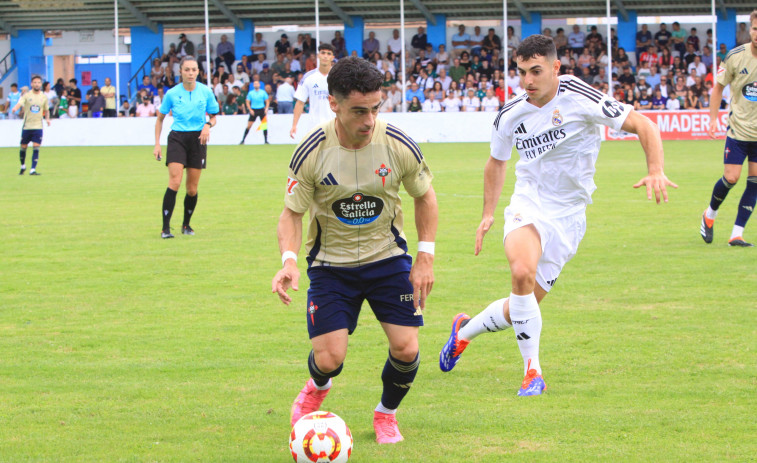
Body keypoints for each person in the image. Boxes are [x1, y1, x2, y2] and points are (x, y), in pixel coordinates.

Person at [438, 34, 676, 396]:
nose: (528, 81)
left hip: (570, 216)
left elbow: (645, 125)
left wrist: (656, 169)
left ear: (555, 68)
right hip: (529, 203)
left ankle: (464, 331)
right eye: (521, 73)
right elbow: (496, 162)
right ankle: (532, 372)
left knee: (523, 305)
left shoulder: (581, 97)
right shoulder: (511, 114)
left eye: (536, 71)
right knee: (521, 272)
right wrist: (488, 214)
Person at [272, 56, 438, 444]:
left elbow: (425, 197)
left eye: (376, 108)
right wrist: (289, 261)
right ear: (334, 104)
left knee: (406, 348)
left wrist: (425, 255)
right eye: (359, 111)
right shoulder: (311, 151)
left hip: (387, 259)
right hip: (331, 266)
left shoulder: (397, 144)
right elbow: (291, 214)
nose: (369, 120)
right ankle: (316, 387)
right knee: (331, 358)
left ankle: (386, 415)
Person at [701, 11, 757, 247]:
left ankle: (736, 233)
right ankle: (709, 214)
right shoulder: (734, 56)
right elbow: (718, 88)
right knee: (731, 178)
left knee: (754, 181)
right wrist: (713, 119)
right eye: (755, 28)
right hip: (738, 131)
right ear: (750, 29)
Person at [153, 56, 219, 239]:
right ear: (180, 72)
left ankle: (186, 225)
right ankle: (165, 228)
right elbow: (160, 119)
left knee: (192, 188)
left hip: (198, 139)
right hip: (177, 138)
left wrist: (208, 125)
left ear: (198, 72)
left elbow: (214, 116)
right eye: (187, 70)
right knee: (175, 182)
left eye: (194, 70)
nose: (190, 73)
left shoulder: (206, 92)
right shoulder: (172, 94)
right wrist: (157, 144)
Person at [290, 43, 336, 139]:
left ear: (332, 57)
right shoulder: (308, 77)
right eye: (323, 53)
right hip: (314, 127)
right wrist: (294, 125)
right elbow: (300, 102)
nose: (325, 56)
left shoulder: (339, 77)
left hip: (334, 127)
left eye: (328, 54)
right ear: (318, 55)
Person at [12, 75, 50, 176]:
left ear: (41, 84)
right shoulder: (27, 95)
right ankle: (23, 165)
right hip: (27, 126)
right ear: (32, 84)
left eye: (38, 82)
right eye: (35, 82)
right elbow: (20, 103)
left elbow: (46, 110)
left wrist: (47, 119)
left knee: (36, 147)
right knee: (23, 147)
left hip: (38, 126)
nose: (37, 84)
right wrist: (15, 108)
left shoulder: (43, 97)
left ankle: (32, 169)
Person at [240, 80, 269, 144]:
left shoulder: (263, 92)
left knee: (264, 125)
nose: (256, 85)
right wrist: (250, 109)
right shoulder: (251, 93)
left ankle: (266, 140)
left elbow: (267, 101)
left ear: (259, 85)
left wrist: (266, 108)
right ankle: (243, 140)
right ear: (253, 85)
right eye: (255, 84)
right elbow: (247, 101)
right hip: (254, 109)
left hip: (261, 109)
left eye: (257, 84)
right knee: (249, 126)